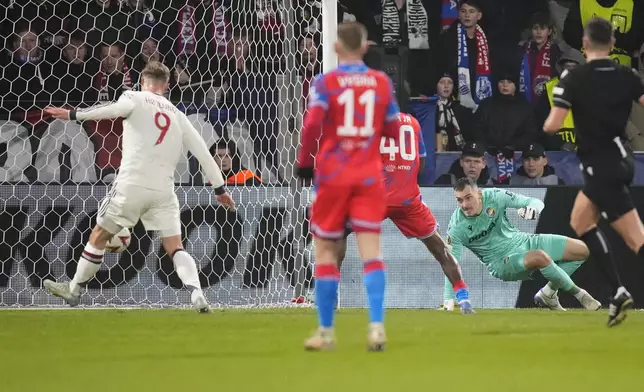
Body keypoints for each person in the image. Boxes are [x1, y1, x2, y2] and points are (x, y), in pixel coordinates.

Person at [41, 61, 236, 312]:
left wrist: (73, 114)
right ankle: (197, 293)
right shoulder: (178, 115)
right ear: (166, 86)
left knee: (99, 236)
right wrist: (220, 189)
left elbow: (110, 109)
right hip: (164, 191)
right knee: (175, 247)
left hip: (131, 185)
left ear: (143, 82)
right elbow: (205, 155)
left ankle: (74, 289)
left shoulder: (133, 96)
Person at [295, 21, 401, 352]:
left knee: (325, 250)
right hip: (368, 175)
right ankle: (377, 328)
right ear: (366, 48)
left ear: (336, 48)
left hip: (332, 174)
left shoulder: (325, 82)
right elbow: (394, 129)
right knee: (371, 250)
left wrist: (304, 163)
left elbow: (312, 123)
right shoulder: (381, 82)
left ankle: (326, 333)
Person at [544, 17, 644, 327]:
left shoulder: (574, 80)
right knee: (579, 219)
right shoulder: (628, 75)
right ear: (613, 44)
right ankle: (619, 291)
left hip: (600, 165)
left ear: (584, 44)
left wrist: (564, 93)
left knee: (637, 239)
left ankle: (619, 291)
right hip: (621, 159)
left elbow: (553, 125)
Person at [336, 113, 475, 314]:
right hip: (408, 198)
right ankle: (464, 299)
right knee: (439, 247)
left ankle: (332, 299)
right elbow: (423, 163)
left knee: (340, 231)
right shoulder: (413, 122)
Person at [445, 178, 601, 312]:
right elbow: (451, 263)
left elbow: (534, 202)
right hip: (501, 262)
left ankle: (548, 293)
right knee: (540, 257)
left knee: (582, 250)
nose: (464, 204)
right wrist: (448, 299)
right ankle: (580, 294)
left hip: (524, 240)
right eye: (459, 200)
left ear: (479, 194)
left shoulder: (494, 196)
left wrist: (533, 209)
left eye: (468, 198)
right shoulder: (457, 227)